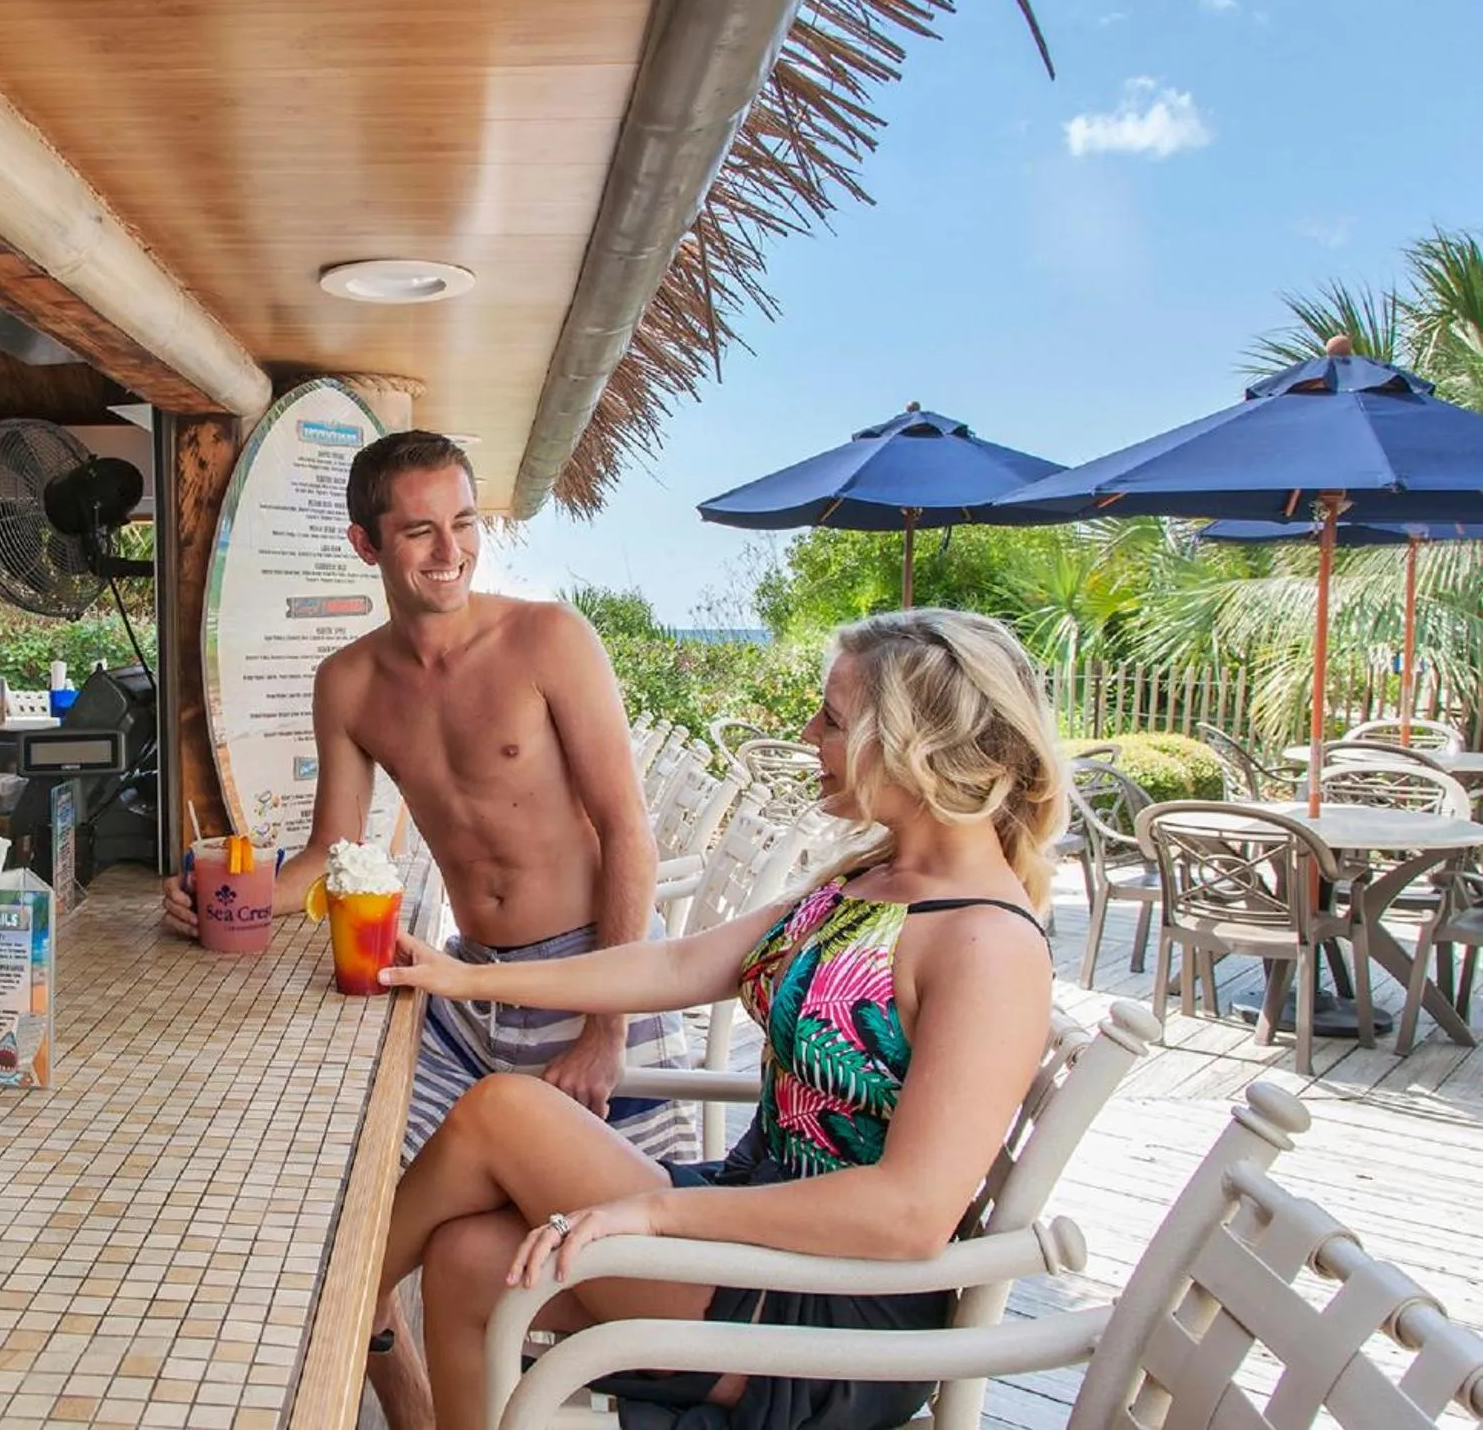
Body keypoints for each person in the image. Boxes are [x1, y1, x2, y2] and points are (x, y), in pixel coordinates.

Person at [371, 607, 1066, 1430]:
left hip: (829, 1305)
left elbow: (907, 1216)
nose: (810, 733)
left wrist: (657, 1211)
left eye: (834, 720)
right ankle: (356, 1299)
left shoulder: (987, 942)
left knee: (505, 1108)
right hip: (750, 1235)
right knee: (463, 1261)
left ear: (913, 745)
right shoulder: (872, 879)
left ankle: (330, 1299)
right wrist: (462, 978)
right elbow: (674, 963)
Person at [163, 430, 698, 1429]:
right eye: (419, 531)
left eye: (463, 525)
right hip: (467, 989)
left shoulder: (547, 640)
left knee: (622, 1260)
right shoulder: (351, 683)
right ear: (369, 546)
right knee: (350, 1196)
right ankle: (402, 1397)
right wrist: (228, 898)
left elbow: (628, 831)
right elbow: (329, 852)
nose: (449, 551)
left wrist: (607, 1028)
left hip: (588, 974)